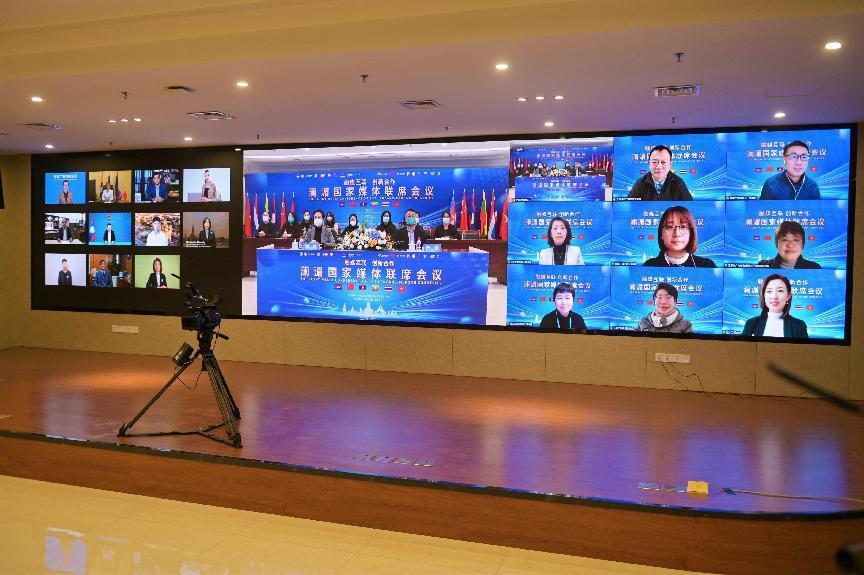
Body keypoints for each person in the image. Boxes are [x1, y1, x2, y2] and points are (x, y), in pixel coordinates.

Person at [643, 206, 716, 267]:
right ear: (661, 234)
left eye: (683, 227)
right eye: (670, 227)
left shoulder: (706, 265)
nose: (677, 233)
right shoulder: (649, 266)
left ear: (691, 233)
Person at [741, 274, 809, 338]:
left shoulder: (799, 325)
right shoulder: (751, 324)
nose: (774, 296)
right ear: (764, 295)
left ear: (788, 296)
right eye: (769, 291)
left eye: (780, 291)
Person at [627, 145, 693, 201]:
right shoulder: (640, 183)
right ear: (649, 163)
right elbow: (629, 205)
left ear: (670, 164)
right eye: (655, 162)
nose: (659, 167)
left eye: (663, 162)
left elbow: (689, 206)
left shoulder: (678, 183)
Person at [757, 220, 822, 269]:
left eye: (795, 240)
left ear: (803, 244)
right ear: (777, 243)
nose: (790, 245)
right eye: (785, 240)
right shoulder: (762, 266)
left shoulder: (815, 268)